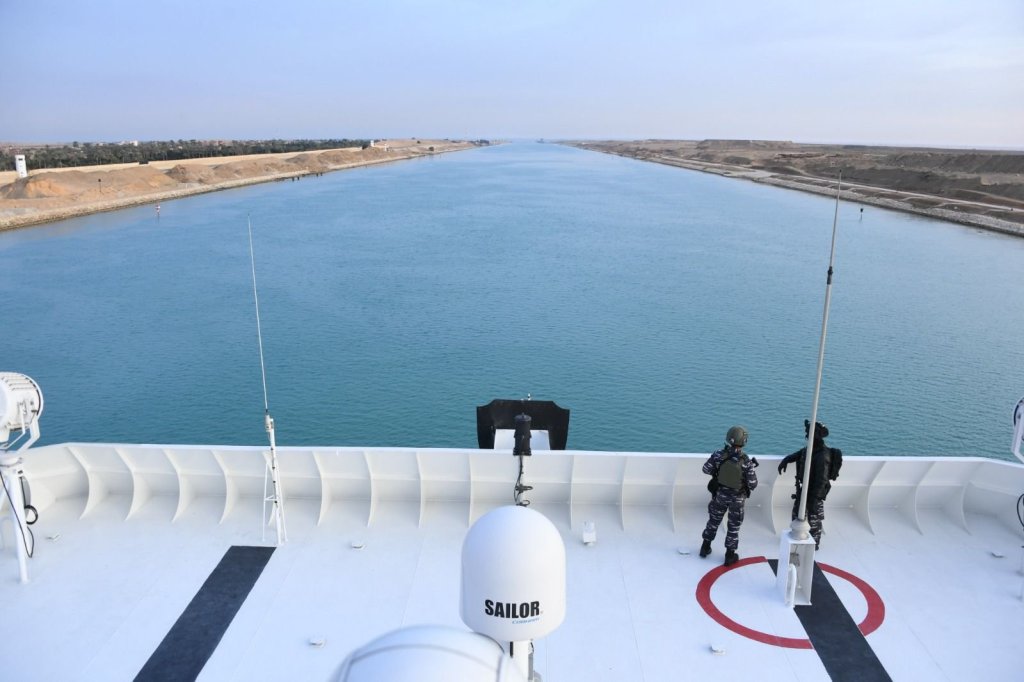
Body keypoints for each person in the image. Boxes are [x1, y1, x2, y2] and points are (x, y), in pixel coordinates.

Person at [777, 420, 843, 550]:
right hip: (805, 488)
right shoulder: (812, 449)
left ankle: (815, 543)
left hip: (814, 492)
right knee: (797, 513)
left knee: (814, 518)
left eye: (809, 433)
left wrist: (814, 499)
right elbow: (800, 453)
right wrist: (787, 460)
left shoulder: (822, 455)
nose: (807, 435)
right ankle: (797, 536)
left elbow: (821, 480)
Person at [700, 426, 758, 566]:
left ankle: (705, 548)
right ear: (744, 441)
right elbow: (753, 484)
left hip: (720, 495)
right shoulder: (746, 461)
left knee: (713, 521)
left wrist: (718, 472)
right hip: (737, 499)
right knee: (733, 527)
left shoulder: (718, 455)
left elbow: (706, 469)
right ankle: (729, 556)